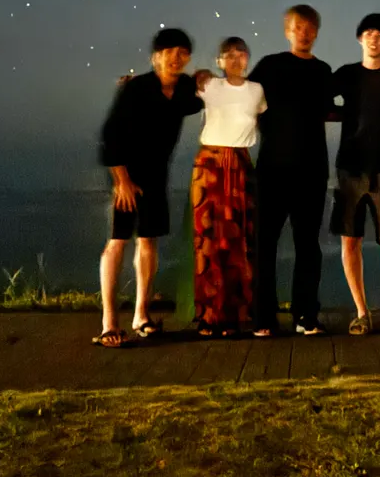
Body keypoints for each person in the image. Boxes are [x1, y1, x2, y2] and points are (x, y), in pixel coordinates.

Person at [93, 27, 201, 347]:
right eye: (169, 52)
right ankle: (109, 321)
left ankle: (141, 315)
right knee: (117, 242)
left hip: (156, 175)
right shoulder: (136, 88)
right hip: (125, 173)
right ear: (156, 57)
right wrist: (122, 181)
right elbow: (110, 135)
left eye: (182, 53)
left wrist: (206, 76)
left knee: (149, 242)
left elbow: (202, 98)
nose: (175, 58)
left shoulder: (184, 89)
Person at [247, 5, 336, 336]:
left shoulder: (324, 71)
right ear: (288, 31)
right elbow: (240, 96)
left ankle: (305, 315)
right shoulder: (270, 66)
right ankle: (263, 318)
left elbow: (335, 109)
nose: (305, 32)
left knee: (308, 245)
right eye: (299, 27)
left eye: (311, 27)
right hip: (271, 169)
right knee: (265, 244)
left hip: (312, 170)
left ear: (317, 32)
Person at [330, 14, 380, 335]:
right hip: (349, 169)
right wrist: (340, 114)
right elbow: (316, 95)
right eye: (368, 33)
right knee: (351, 242)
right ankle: (362, 312)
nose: (374, 38)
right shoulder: (347, 74)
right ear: (359, 38)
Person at [191, 37, 266, 337]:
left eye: (240, 54)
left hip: (241, 164)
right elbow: (170, 88)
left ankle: (236, 314)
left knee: (239, 240)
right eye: (228, 55)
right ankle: (209, 315)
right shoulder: (209, 86)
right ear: (219, 61)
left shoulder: (257, 90)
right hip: (209, 165)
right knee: (207, 239)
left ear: (248, 58)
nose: (235, 60)